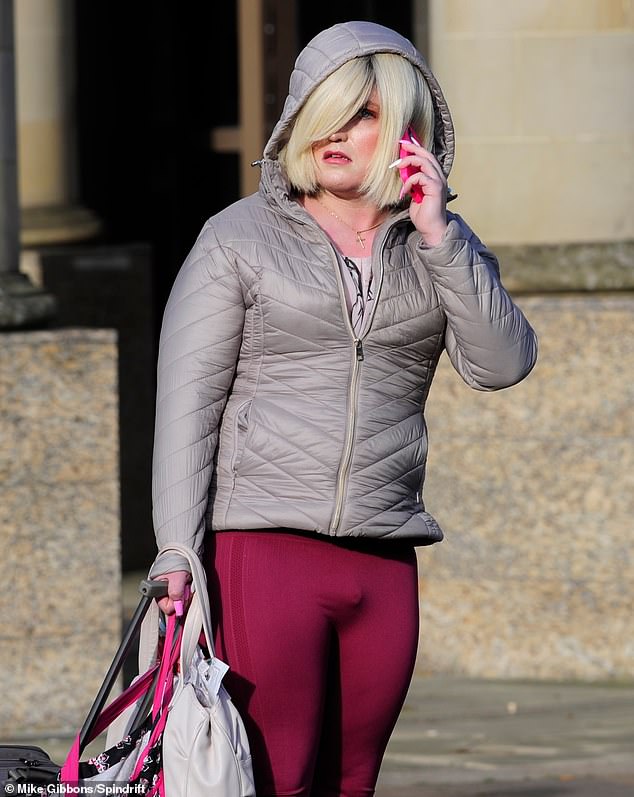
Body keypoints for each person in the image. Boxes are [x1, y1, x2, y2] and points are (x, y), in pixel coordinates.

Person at [149, 20, 538, 797]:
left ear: (406, 132)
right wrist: (175, 553)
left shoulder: (436, 247)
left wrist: (439, 232)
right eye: (325, 109)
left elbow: (503, 363)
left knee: (352, 782)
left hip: (383, 562)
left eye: (364, 114)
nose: (337, 131)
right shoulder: (238, 238)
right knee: (278, 778)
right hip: (261, 552)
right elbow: (187, 411)